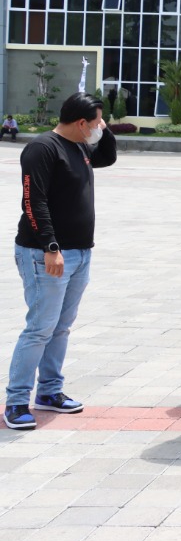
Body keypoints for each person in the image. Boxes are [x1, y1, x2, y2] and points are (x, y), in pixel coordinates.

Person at [5, 93, 116, 431]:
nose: (99, 127)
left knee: (61, 327)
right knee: (40, 328)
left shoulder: (81, 147)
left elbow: (108, 157)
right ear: (80, 123)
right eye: (96, 122)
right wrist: (50, 246)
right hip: (46, 254)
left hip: (80, 253)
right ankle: (16, 401)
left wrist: (104, 128)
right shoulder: (42, 149)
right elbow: (32, 201)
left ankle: (50, 392)